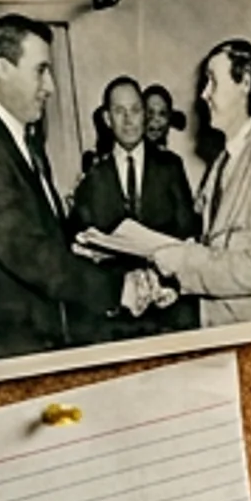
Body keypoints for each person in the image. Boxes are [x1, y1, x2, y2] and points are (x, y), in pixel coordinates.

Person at [0, 14, 133, 365]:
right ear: (4, 69)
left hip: (34, 340)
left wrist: (90, 251)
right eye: (41, 70)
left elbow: (45, 235)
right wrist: (118, 290)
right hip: (2, 352)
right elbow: (25, 250)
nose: (51, 87)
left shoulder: (23, 142)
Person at [137, 40, 251, 327]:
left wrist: (184, 262)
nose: (204, 94)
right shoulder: (223, 161)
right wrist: (176, 284)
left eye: (212, 81)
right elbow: (216, 249)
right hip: (218, 323)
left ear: (244, 83)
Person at [72, 76, 198, 334]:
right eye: (119, 112)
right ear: (107, 119)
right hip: (118, 318)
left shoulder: (171, 167)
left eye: (135, 110)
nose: (129, 120)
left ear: (144, 115)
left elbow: (188, 234)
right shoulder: (93, 178)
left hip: (168, 310)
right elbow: (82, 245)